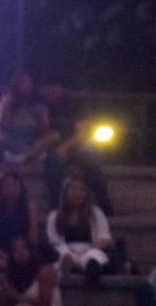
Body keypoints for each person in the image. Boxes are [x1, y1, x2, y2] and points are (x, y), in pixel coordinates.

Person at [40, 83, 115, 215]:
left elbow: (83, 133)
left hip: (76, 144)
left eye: (55, 87)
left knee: (91, 153)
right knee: (51, 163)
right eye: (49, 88)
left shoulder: (74, 105)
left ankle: (103, 203)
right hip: (53, 147)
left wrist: (66, 146)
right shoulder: (42, 107)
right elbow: (44, 134)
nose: (52, 91)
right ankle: (55, 208)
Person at [0, 69, 59, 164]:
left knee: (54, 137)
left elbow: (44, 131)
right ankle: (16, 157)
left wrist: (42, 117)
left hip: (30, 144)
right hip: (8, 142)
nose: (27, 85)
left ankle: (24, 158)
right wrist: (6, 106)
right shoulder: (7, 101)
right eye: (23, 83)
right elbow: (1, 125)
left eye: (29, 82)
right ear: (15, 86)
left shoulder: (38, 107)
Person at [47, 175, 114, 283]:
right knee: (61, 254)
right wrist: (73, 254)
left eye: (82, 189)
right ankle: (77, 267)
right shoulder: (54, 216)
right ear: (66, 191)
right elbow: (54, 242)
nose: (77, 193)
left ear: (86, 193)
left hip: (90, 249)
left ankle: (86, 268)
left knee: (94, 257)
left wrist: (85, 252)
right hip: (66, 251)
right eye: (73, 188)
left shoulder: (95, 212)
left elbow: (105, 239)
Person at [0, 171, 42, 270]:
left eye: (14, 185)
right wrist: (5, 256)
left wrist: (23, 251)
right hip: (1, 253)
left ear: (21, 188)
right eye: (7, 185)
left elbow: (33, 238)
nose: (11, 189)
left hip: (25, 251)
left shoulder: (30, 209)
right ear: (0, 189)